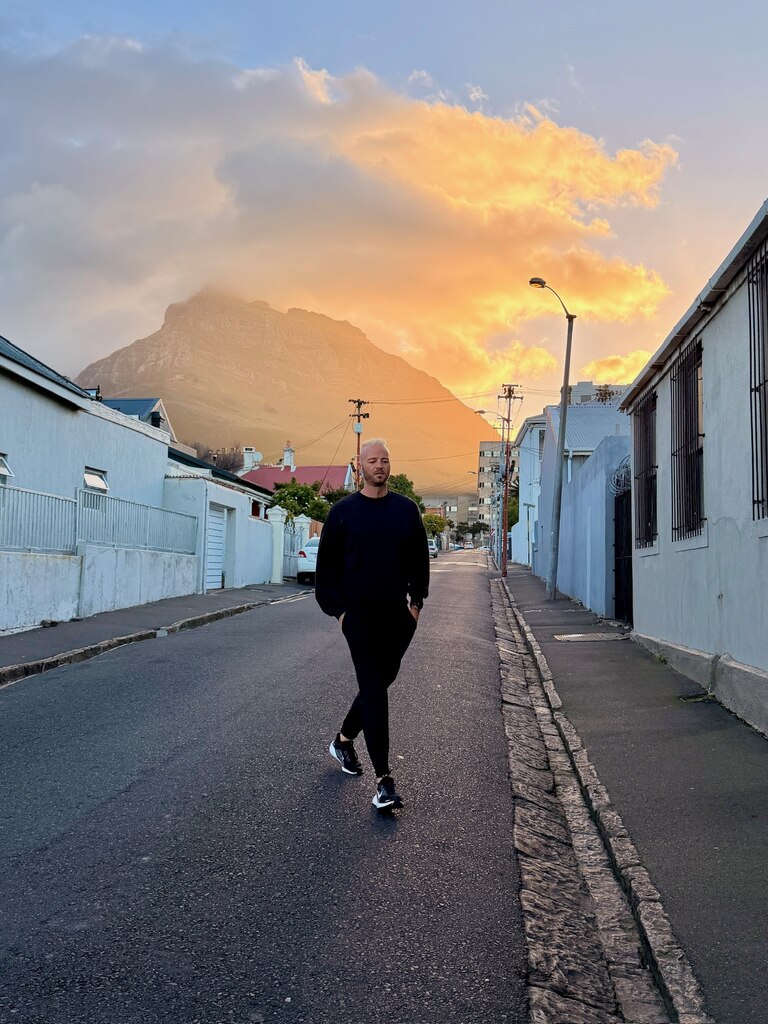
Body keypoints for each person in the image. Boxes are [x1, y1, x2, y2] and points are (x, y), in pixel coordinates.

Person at [315, 439, 429, 811]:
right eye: (372, 460)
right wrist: (341, 613)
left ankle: (344, 740)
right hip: (358, 616)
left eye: (384, 460)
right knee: (375, 690)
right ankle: (384, 782)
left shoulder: (406, 510)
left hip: (398, 615)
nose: (379, 466)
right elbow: (326, 572)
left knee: (379, 682)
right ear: (359, 465)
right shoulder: (343, 512)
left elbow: (418, 560)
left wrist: (415, 605)